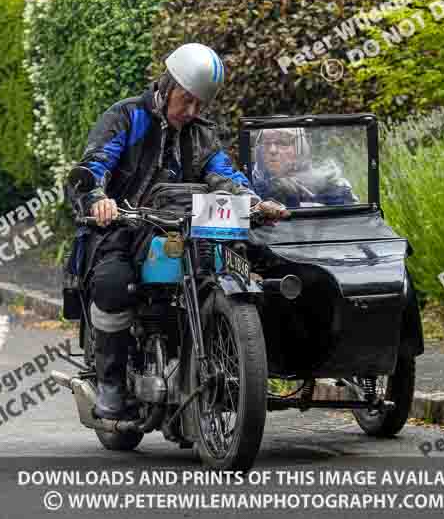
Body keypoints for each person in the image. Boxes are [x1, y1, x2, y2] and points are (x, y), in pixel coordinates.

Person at [66, 43, 287, 421]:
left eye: (200, 104)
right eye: (187, 101)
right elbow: (96, 164)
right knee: (113, 283)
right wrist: (97, 199)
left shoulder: (201, 132)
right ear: (168, 86)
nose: (192, 112)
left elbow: (223, 173)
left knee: (254, 262)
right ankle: (112, 380)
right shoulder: (127, 117)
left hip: (188, 225)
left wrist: (253, 201)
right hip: (125, 226)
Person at [251, 127, 357, 208]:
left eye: (282, 143)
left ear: (300, 147)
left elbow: (351, 225)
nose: (272, 150)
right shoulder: (249, 187)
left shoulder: (333, 186)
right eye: (266, 143)